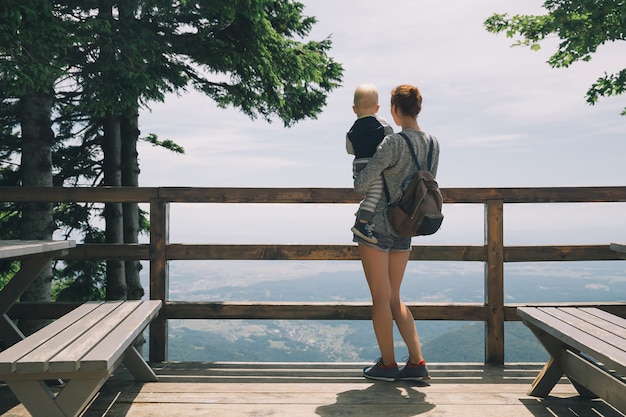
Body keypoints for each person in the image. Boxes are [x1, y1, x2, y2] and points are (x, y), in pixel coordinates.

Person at [353, 84, 440, 382]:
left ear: (393, 110)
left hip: (377, 226)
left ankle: (388, 366)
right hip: (407, 226)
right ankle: (417, 362)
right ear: (418, 108)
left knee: (380, 298)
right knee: (395, 298)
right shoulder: (433, 143)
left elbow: (362, 185)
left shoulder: (392, 144)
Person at [346, 84, 394, 244]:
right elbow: (391, 141)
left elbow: (349, 150)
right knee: (375, 194)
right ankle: (362, 223)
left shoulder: (352, 129)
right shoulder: (381, 123)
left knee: (369, 192)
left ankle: (363, 209)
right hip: (372, 164)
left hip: (357, 165)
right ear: (377, 107)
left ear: (354, 109)